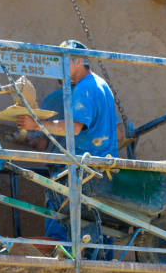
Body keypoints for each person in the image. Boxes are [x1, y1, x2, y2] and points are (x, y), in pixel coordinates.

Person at [16, 39, 120, 248]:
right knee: (98, 229)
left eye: (64, 62)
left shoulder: (84, 88)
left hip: (82, 172)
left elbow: (73, 128)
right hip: (102, 171)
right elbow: (118, 130)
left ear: (79, 60)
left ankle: (61, 258)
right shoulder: (101, 85)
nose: (60, 68)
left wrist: (36, 125)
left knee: (61, 225)